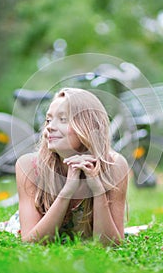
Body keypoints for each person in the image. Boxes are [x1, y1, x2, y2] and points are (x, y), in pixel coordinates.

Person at [15, 87, 129, 245]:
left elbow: (110, 245)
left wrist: (97, 190)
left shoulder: (114, 165)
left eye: (63, 119)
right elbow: (31, 243)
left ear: (89, 126)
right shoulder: (29, 166)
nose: (49, 127)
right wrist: (67, 190)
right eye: (48, 120)